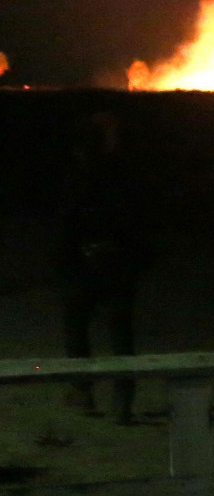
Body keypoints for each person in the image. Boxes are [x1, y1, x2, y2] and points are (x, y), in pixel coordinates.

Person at [56, 108, 149, 424]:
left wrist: (67, 261)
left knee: (77, 326)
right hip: (119, 262)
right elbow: (139, 220)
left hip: (88, 261)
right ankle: (122, 403)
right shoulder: (125, 175)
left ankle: (83, 392)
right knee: (121, 334)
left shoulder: (79, 177)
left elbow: (68, 222)